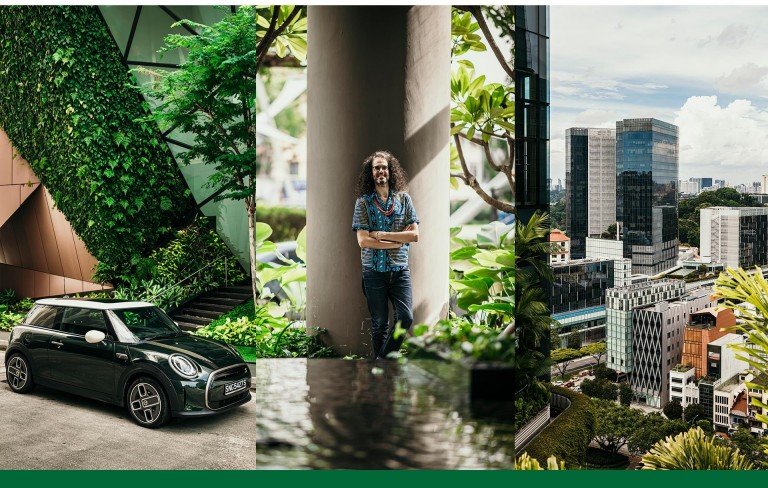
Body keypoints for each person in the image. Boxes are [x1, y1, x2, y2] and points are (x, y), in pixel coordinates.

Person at [351, 150, 419, 359]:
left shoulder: (404, 200)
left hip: (400, 271)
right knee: (380, 324)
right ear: (371, 173)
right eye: (376, 167)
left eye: (384, 167)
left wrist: (381, 235)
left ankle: (382, 361)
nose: (380, 171)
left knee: (405, 318)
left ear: (390, 171)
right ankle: (382, 374)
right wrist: (396, 242)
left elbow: (415, 235)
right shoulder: (363, 203)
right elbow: (363, 241)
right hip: (373, 272)